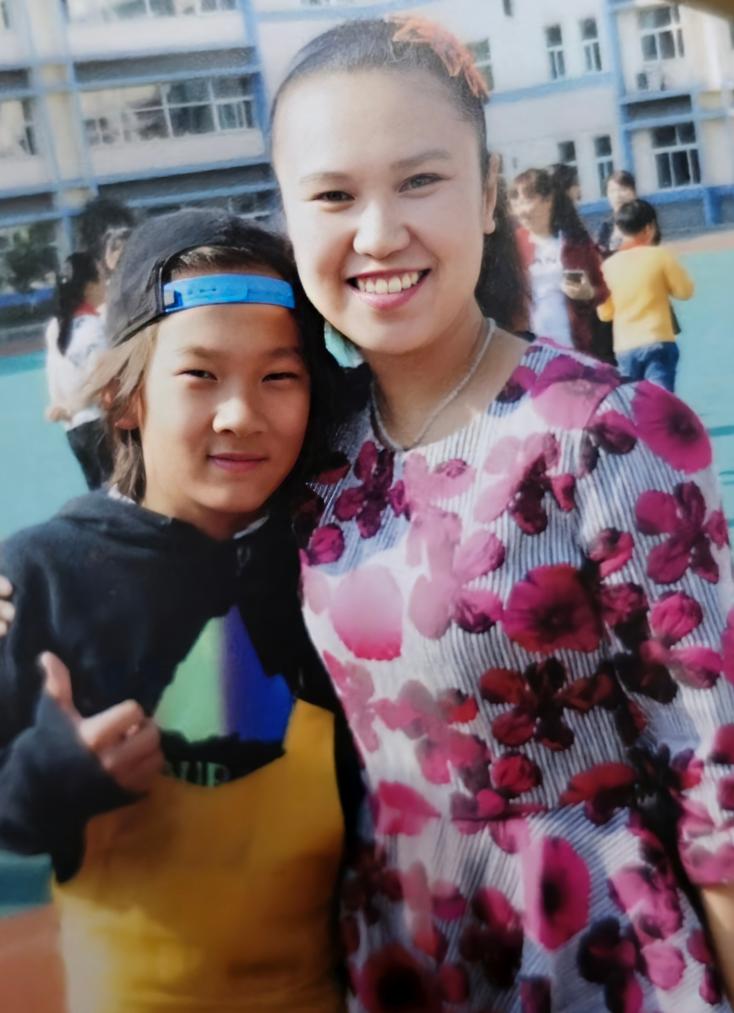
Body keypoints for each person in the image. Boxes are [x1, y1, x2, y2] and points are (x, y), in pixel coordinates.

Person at [269, 15, 734, 1010]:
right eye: (333, 195)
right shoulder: (312, 453)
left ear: (487, 195)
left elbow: (718, 779)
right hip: (403, 942)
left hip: (591, 947)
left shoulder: (600, 430)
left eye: (419, 180)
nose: (377, 232)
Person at [0, 208, 357, 1013]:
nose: (241, 413)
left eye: (279, 376)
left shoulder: (334, 552)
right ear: (123, 397)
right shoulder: (43, 576)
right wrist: (46, 778)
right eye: (200, 374)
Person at [509, 167, 612, 360]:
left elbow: (602, 291)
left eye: (527, 200)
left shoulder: (576, 244)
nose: (521, 210)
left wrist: (587, 293)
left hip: (572, 347)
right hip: (527, 352)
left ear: (548, 200)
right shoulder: (511, 247)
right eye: (515, 202)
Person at [597, 198, 694, 393]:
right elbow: (685, 291)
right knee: (660, 398)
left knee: (634, 401)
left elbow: (604, 313)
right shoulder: (660, 256)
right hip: (657, 339)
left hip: (625, 347)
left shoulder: (607, 267)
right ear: (649, 228)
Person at [44, 251, 113, 489]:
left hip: (75, 430)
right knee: (122, 498)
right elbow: (100, 379)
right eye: (102, 277)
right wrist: (74, 405)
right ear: (89, 287)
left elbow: (54, 376)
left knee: (100, 495)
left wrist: (62, 406)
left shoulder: (56, 327)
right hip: (100, 426)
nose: (106, 283)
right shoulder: (93, 328)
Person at [596, 170, 638, 259]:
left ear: (634, 192)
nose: (617, 195)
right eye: (612, 191)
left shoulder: (643, 219)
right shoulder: (606, 226)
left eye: (623, 189)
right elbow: (602, 256)